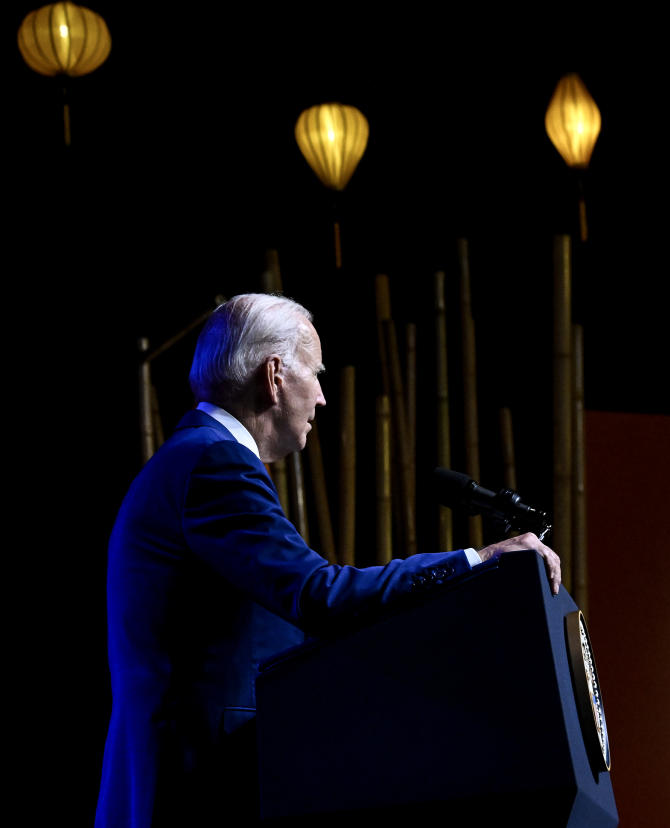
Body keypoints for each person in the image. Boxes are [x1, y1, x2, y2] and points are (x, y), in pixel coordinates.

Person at [95, 294, 560, 827]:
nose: (321, 397)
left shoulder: (190, 457)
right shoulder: (212, 463)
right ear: (273, 375)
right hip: (198, 783)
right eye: (315, 374)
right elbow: (320, 597)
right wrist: (478, 560)